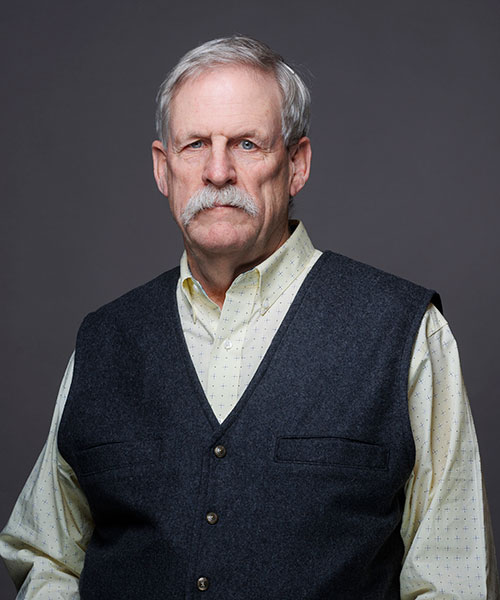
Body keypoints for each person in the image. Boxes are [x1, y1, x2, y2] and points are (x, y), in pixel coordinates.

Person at [0, 35, 498, 599]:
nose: (217, 171)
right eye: (194, 145)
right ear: (164, 170)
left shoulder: (403, 332)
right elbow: (46, 557)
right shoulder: (104, 342)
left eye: (246, 144)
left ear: (297, 165)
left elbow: (453, 582)